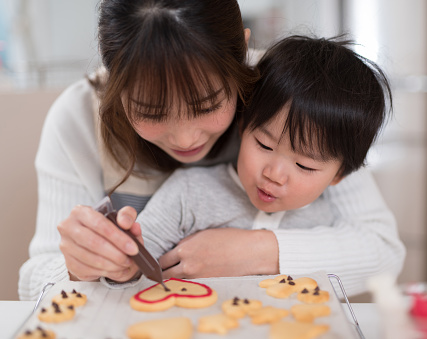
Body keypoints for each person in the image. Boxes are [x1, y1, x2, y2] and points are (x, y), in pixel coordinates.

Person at [18, 0, 405, 301]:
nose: (186, 140)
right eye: (151, 111)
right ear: (114, 81)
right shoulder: (78, 118)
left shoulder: (284, 98)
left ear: (242, 57)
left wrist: (253, 251)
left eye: (207, 106)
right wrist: (76, 267)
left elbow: (382, 251)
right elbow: (34, 284)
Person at [112, 35, 403, 296]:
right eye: (264, 146)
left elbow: (380, 258)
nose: (274, 174)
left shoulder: (329, 219)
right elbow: (128, 266)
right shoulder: (189, 193)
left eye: (304, 165)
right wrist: (116, 255)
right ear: (242, 127)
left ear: (340, 176)